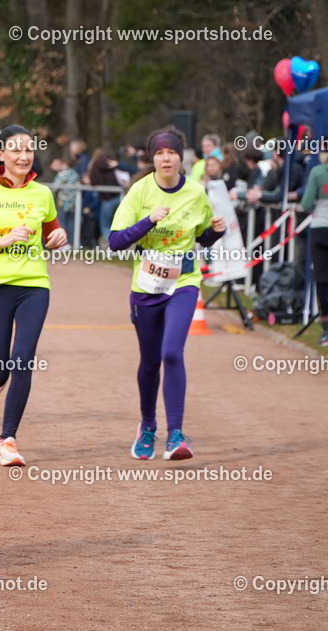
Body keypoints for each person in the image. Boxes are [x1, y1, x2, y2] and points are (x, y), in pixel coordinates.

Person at [109, 128, 225, 460]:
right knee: (150, 361)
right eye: (159, 153)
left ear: (181, 157)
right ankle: (148, 426)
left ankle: (176, 434)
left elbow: (201, 238)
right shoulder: (139, 191)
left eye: (172, 152)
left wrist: (214, 234)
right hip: (146, 287)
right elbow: (115, 242)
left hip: (184, 282)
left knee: (172, 352)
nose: (166, 158)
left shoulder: (195, 193)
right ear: (152, 159)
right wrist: (148, 220)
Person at [0, 125, 68, 466]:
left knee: (22, 359)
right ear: (1, 154)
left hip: (34, 285)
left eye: (29, 149)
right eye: (15, 149)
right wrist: (0, 242)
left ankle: (7, 440)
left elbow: (53, 231)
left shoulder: (42, 194)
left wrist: (60, 235)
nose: (24, 155)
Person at [300, 149, 328, 345]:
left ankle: (326, 330)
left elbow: (306, 203)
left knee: (322, 280)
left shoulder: (318, 172)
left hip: (320, 229)